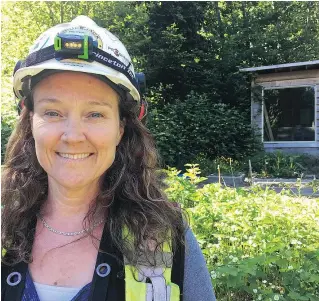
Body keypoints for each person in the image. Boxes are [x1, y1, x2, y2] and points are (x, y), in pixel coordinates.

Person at [1, 16, 216, 301]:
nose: (73, 135)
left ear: (120, 129)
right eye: (53, 112)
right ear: (29, 121)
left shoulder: (168, 238)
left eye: (95, 114)